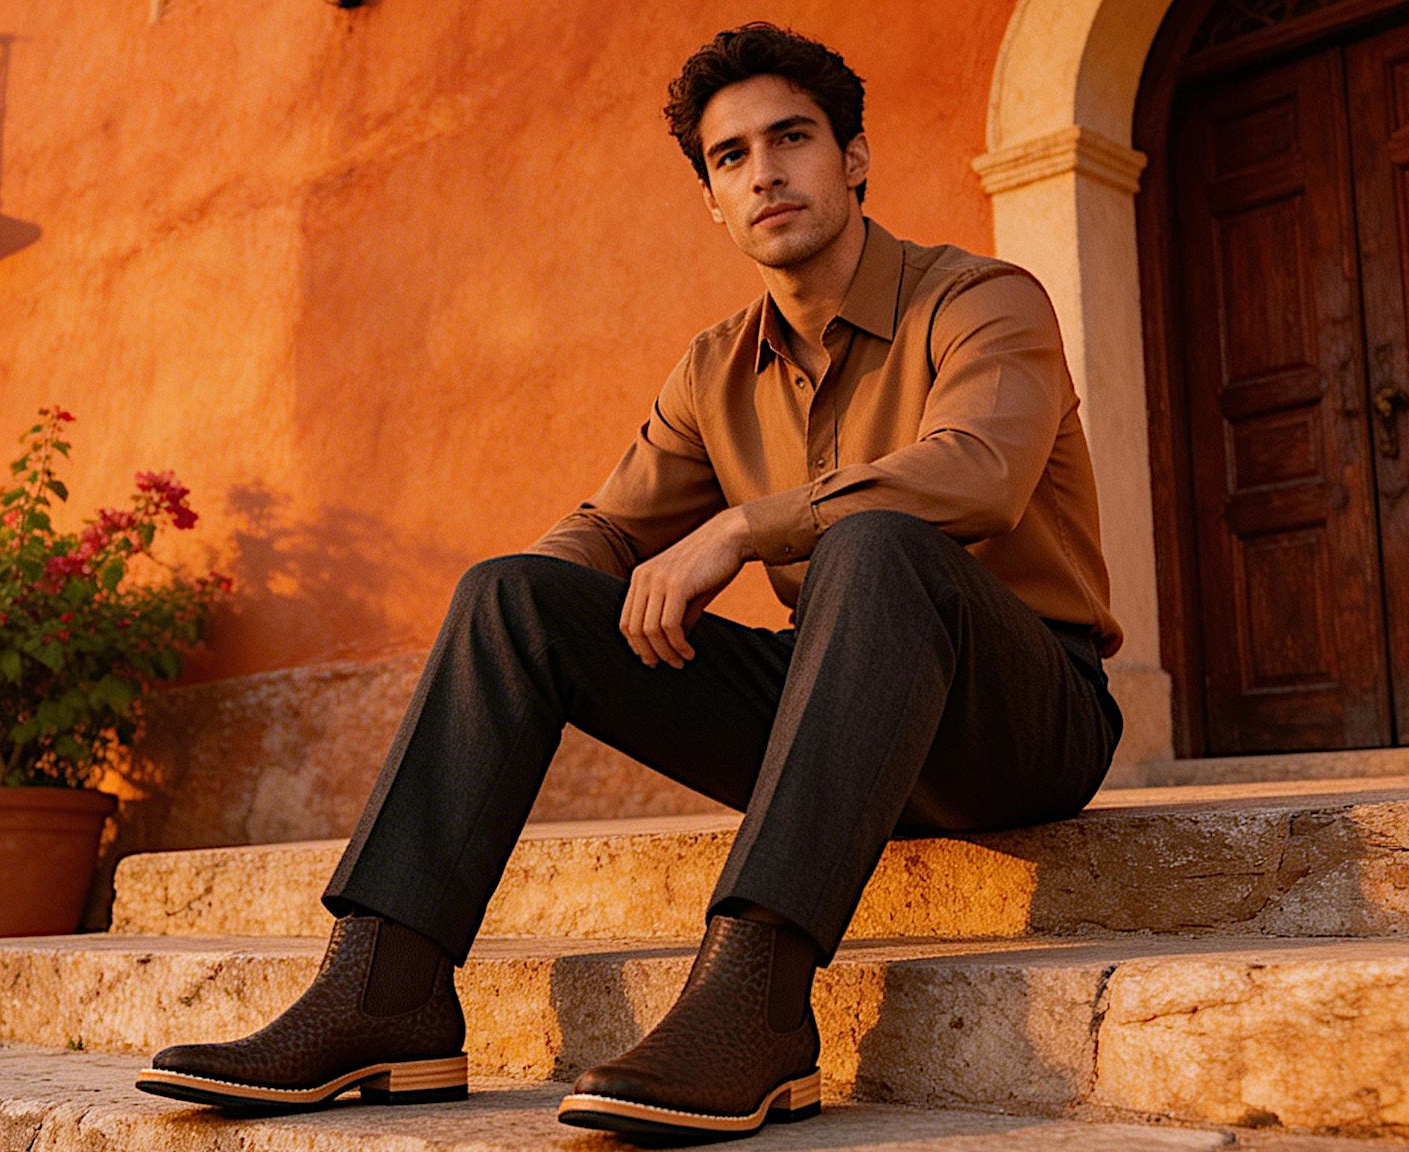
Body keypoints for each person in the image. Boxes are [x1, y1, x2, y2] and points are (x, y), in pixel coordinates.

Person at [134, 21, 1125, 1142]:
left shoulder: (981, 299)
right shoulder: (716, 368)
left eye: (790, 139)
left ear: (851, 159)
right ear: (712, 198)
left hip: (1021, 720)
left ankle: (750, 1008)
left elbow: (981, 477)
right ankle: (385, 994)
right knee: (511, 593)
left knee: (879, 540)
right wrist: (516, 639)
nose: (764, 172)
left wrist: (745, 527)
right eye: (730, 156)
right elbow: (604, 530)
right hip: (843, 722)